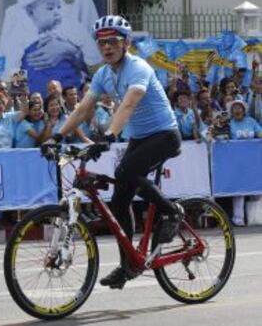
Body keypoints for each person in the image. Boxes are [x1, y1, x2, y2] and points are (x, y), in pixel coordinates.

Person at [47, 15, 183, 289]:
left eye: (112, 41)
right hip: (139, 137)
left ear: (126, 43)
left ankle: (172, 212)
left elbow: (130, 104)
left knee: (125, 173)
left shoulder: (138, 67)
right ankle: (128, 265)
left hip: (165, 135)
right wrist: (57, 135)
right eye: (101, 43)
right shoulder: (104, 74)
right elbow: (84, 107)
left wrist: (109, 135)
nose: (106, 47)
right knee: (119, 200)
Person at [4, 0, 100, 95]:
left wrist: (94, 65)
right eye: (50, 8)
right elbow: (11, 63)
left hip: (69, 89)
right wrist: (17, 94)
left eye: (59, 6)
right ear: (30, 12)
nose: (57, 12)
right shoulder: (20, 34)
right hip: (37, 95)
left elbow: (89, 48)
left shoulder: (69, 26)